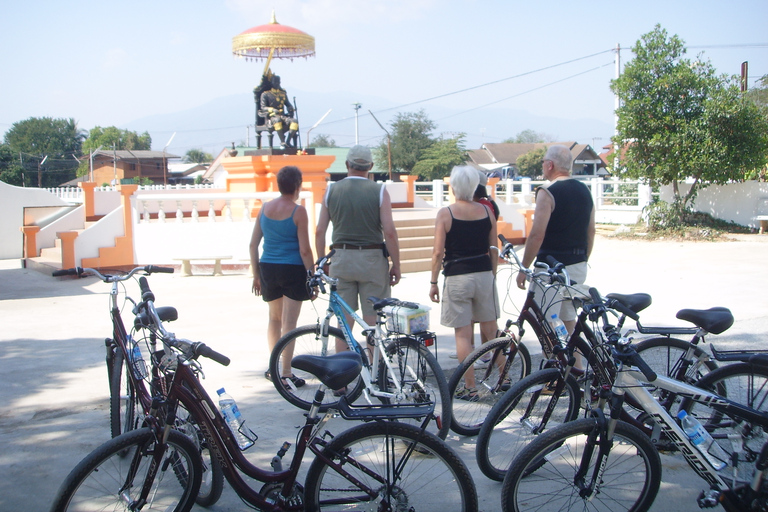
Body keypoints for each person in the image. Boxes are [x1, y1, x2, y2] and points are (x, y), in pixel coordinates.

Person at [429, 165, 500, 400]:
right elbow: (493, 248)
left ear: (453, 186)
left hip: (457, 275)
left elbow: (438, 252)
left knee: (463, 334)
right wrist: (493, 273)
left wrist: (433, 281)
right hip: (483, 274)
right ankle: (505, 376)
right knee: (491, 331)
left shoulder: (446, 213)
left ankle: (470, 387)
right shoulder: (486, 212)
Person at [315, 145, 401, 335]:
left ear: (347, 164)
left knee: (343, 326)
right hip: (372, 260)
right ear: (371, 165)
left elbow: (320, 230)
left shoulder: (331, 190)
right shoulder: (379, 191)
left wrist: (322, 261)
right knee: (373, 323)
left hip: (340, 258)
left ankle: (343, 363)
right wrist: (396, 264)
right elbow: (390, 232)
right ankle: (374, 363)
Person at [515, 144, 596, 341]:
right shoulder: (584, 190)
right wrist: (584, 258)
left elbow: (537, 235)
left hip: (552, 268)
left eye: (543, 162)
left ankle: (553, 369)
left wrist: (523, 267)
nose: (542, 165)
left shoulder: (548, 191)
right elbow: (591, 230)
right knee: (569, 322)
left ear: (550, 165)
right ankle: (575, 368)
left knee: (547, 323)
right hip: (577, 264)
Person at [250, 166, 315, 387]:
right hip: (293, 269)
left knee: (274, 319)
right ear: (297, 186)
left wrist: (255, 274)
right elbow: (305, 250)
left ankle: (273, 368)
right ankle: (286, 372)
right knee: (290, 322)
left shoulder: (265, 208)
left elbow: (253, 244)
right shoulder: (298, 211)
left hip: (268, 267)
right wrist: (312, 276)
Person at [258, 75, 299, 149]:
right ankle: (282, 141)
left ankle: (288, 141)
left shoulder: (282, 94)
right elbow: (263, 107)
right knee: (277, 120)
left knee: (294, 121)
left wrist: (291, 108)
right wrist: (272, 110)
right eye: (275, 82)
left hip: (283, 116)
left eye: (278, 82)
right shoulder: (266, 94)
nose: (277, 84)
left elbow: (288, 104)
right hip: (272, 117)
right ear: (272, 83)